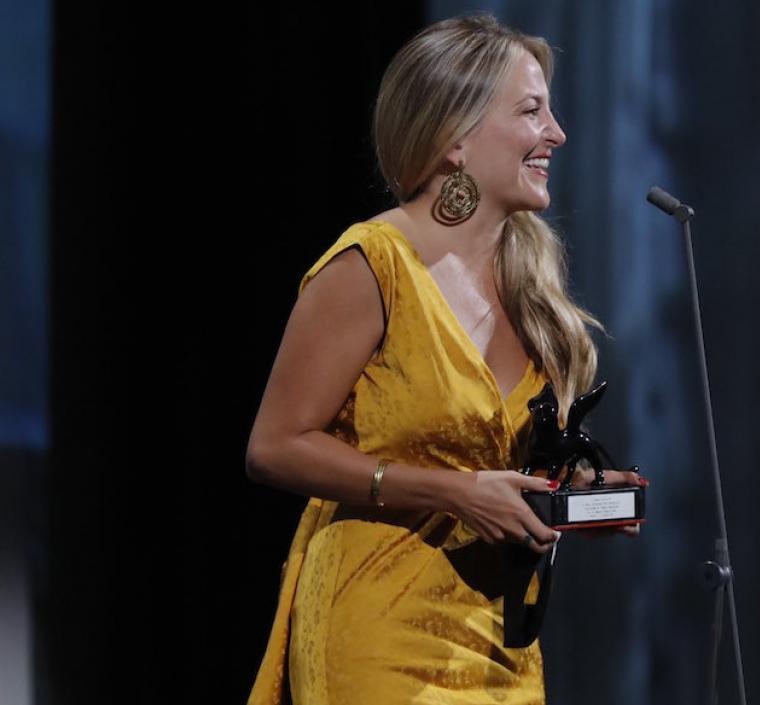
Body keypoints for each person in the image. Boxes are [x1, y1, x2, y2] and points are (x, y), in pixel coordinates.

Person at [244, 14, 644, 705]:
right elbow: (274, 446)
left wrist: (572, 493)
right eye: (532, 111)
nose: (557, 133)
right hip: (378, 628)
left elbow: (495, 467)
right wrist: (453, 492)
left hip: (499, 642)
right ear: (455, 136)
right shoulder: (373, 264)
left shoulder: (530, 287)